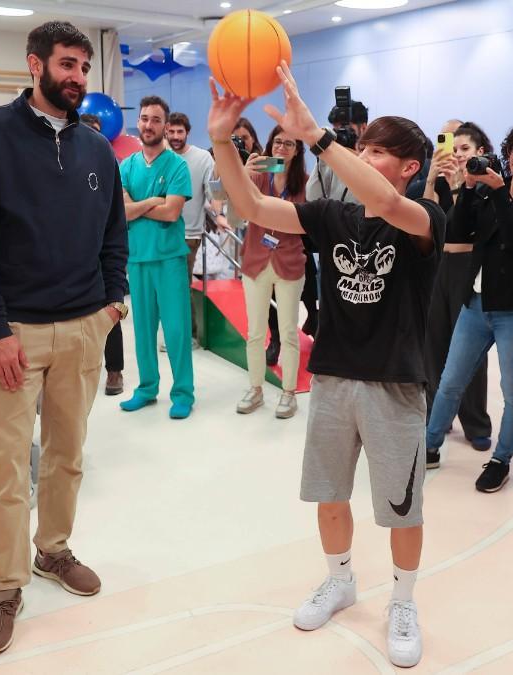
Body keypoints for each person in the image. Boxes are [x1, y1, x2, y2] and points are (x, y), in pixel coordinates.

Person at [211, 64, 443, 669]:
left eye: (373, 150)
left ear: (410, 166)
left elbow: (385, 199)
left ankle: (403, 602)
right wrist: (221, 142)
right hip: (336, 377)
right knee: (330, 497)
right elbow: (251, 204)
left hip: (394, 383)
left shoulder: (424, 221)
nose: (358, 156)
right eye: (357, 147)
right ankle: (340, 580)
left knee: (401, 506)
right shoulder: (332, 217)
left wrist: (319, 138)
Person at [0, 20, 129, 655]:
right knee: (4, 468)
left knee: (66, 456)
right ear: (35, 66)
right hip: (15, 335)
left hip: (84, 327)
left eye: (84, 66)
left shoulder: (97, 149)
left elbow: (114, 233)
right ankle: (5, 587)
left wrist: (115, 300)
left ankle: (53, 551)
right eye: (67, 64)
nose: (78, 76)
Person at [425, 121, 513, 489]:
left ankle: (500, 460)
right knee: (450, 381)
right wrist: (469, 190)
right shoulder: (489, 186)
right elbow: (459, 230)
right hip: (476, 303)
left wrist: (500, 192)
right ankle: (429, 446)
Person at [118, 96, 195, 419]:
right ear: (139, 122)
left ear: (165, 125)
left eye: (156, 120)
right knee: (143, 332)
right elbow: (121, 212)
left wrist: (139, 206)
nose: (149, 125)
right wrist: (153, 200)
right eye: (144, 118)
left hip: (169, 259)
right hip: (137, 259)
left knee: (176, 330)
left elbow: (172, 212)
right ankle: (147, 388)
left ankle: (183, 393)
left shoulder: (177, 165)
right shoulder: (126, 166)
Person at [421, 120, 494, 460]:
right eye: (454, 149)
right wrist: (437, 175)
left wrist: (456, 186)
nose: (458, 155)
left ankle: (477, 424)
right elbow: (424, 215)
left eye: (465, 149)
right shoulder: (441, 180)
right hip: (438, 266)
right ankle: (439, 417)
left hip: (468, 269)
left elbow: (463, 225)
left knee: (470, 351)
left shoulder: (487, 188)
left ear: (480, 152)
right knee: (434, 345)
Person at [236, 124, 307, 419]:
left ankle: (289, 392)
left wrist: (269, 195)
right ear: (269, 144)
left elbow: (301, 223)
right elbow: (240, 212)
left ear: (297, 151)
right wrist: (243, 173)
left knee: (289, 332)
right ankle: (255, 388)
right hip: (256, 261)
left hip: (289, 263)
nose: (281, 148)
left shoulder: (304, 183)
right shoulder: (256, 174)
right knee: (254, 332)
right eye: (277, 142)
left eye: (289, 144)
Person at [80, 114, 125, 395]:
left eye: (99, 132)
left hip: (101, 256)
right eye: (89, 132)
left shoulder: (108, 166)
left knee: (110, 315)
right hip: (72, 260)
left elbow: (118, 220)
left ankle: (115, 371)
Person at [165, 111, 216, 347]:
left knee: (179, 286)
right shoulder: (161, 156)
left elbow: (213, 191)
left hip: (188, 235)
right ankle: (177, 334)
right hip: (160, 231)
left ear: (187, 132)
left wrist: (219, 212)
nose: (175, 136)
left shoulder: (203, 158)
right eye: (172, 131)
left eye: (180, 131)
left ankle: (186, 336)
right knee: (166, 288)